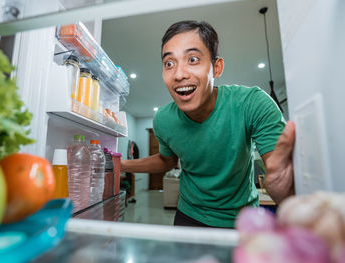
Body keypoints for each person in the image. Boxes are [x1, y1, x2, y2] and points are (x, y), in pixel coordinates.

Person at [121, 20, 295, 228]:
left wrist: (281, 187)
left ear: (216, 67)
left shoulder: (252, 104)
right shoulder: (163, 120)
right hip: (188, 216)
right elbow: (167, 160)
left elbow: (284, 182)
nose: (179, 74)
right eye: (169, 63)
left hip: (242, 220)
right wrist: (121, 164)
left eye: (192, 59)